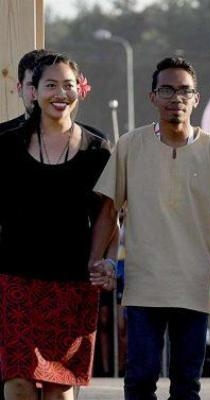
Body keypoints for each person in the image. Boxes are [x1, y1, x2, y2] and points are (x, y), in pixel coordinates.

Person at [89, 56, 210, 400]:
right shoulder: (130, 145)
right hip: (144, 285)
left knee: (187, 384)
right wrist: (96, 260)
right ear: (153, 97)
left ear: (196, 99)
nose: (177, 98)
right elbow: (109, 207)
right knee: (140, 379)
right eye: (167, 90)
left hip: (193, 285)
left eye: (185, 91)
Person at [0, 53, 115, 400]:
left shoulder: (98, 150)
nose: (60, 93)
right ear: (32, 91)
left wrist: (105, 262)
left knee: (59, 389)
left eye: (68, 85)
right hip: (14, 281)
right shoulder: (6, 145)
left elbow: (109, 216)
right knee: (17, 383)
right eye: (51, 85)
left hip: (73, 284)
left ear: (80, 89)